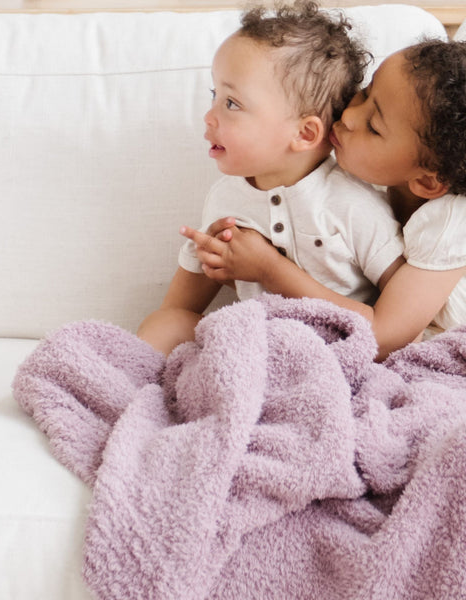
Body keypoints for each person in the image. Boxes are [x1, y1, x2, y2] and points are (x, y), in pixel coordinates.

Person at [183, 38, 466, 360]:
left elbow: (384, 334)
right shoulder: (370, 190)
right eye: (365, 93)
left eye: (374, 126)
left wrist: (270, 269)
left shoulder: (456, 221)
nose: (349, 117)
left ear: (429, 181)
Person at [137, 0, 405, 355]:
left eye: (231, 104)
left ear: (305, 134)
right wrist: (207, 257)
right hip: (254, 347)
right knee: (164, 324)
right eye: (215, 96)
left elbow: (398, 324)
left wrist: (268, 268)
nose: (209, 116)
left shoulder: (353, 204)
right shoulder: (225, 199)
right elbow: (180, 306)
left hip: (332, 354)